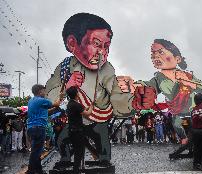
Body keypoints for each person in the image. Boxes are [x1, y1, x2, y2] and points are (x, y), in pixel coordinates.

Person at [45, 13, 155, 165]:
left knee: (103, 143)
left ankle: (103, 160)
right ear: (72, 43)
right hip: (76, 121)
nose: (102, 52)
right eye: (96, 44)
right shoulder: (65, 67)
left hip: (98, 120)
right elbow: (50, 93)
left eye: (106, 46)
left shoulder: (106, 69)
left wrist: (134, 102)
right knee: (62, 140)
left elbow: (116, 96)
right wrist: (66, 86)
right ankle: (65, 160)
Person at [26, 84, 63, 174]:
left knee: (37, 150)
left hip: (31, 128)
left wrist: (57, 104)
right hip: (39, 127)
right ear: (39, 91)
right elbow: (57, 104)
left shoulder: (32, 101)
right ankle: (30, 172)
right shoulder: (42, 100)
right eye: (44, 90)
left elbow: (47, 112)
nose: (45, 92)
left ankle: (39, 171)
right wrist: (60, 97)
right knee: (36, 151)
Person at [66, 86, 95, 174]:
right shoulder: (76, 105)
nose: (79, 94)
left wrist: (87, 106)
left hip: (73, 131)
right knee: (79, 153)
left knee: (78, 153)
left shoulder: (71, 104)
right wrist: (92, 105)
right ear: (76, 94)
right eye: (78, 92)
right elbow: (88, 114)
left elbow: (81, 110)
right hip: (77, 132)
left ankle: (76, 172)